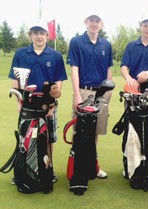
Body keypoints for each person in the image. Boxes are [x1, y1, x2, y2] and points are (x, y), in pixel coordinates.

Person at [8, 20, 68, 184]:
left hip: (47, 104)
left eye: (42, 33)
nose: (39, 36)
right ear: (30, 35)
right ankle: (22, 169)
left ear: (47, 36)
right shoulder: (21, 53)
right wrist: (19, 101)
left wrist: (52, 102)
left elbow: (58, 81)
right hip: (27, 104)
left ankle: (47, 169)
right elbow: (15, 81)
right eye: (36, 33)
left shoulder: (55, 56)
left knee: (48, 138)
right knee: (25, 137)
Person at [120, 14, 148, 190]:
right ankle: (128, 166)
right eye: (145, 25)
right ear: (140, 26)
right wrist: (129, 78)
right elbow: (124, 66)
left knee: (146, 129)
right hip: (132, 91)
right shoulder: (132, 45)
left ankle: (145, 166)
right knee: (129, 128)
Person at [67, 10, 113, 179]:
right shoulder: (77, 42)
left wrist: (108, 92)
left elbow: (108, 69)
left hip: (101, 93)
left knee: (95, 131)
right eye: (91, 20)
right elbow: (74, 69)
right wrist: (77, 94)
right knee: (79, 131)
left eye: (97, 20)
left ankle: (93, 166)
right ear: (85, 21)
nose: (94, 23)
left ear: (102, 23)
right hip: (84, 91)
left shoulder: (106, 45)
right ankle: (77, 167)